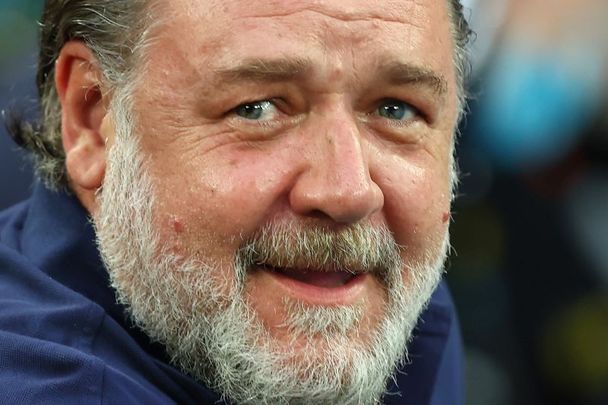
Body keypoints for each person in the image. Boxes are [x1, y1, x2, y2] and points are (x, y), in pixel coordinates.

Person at [0, 0, 471, 403]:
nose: (347, 193)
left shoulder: (368, 296)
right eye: (256, 108)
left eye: (396, 109)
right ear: (92, 118)